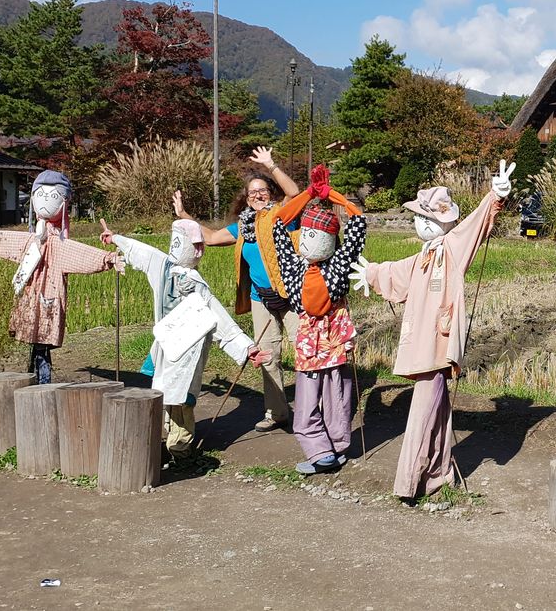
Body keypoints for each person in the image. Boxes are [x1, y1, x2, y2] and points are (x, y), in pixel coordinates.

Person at [349, 160, 515, 500]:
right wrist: (371, 273)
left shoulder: (453, 246)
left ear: (444, 221)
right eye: (419, 217)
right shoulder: (424, 254)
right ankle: (438, 475)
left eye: (427, 218)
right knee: (436, 409)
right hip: (422, 341)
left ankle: (409, 482)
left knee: (425, 408)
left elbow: (475, 225)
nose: (421, 223)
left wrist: (494, 198)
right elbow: (398, 272)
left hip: (438, 341)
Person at [101, 218, 271, 458]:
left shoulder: (190, 281)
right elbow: (139, 250)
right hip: (167, 344)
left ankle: (180, 449)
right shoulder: (163, 267)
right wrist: (116, 238)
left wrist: (246, 348)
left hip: (189, 351)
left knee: (182, 396)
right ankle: (172, 441)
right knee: (164, 392)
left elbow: (219, 320)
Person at [0, 170, 121, 383]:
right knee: (37, 343)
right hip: (32, 297)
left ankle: (42, 382)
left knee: (41, 343)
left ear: (64, 202)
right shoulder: (32, 240)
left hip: (48, 299)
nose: (45, 201)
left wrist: (108, 258)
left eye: (53, 196)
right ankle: (36, 378)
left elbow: (82, 255)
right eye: (41, 195)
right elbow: (3, 240)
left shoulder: (58, 245)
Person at [175, 146, 300, 432]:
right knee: (267, 355)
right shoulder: (243, 227)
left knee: (304, 351)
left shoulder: (282, 214)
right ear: (246, 198)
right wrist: (184, 215)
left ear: (271, 192)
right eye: (252, 192)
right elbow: (210, 237)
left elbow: (294, 193)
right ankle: (277, 413)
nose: (258, 195)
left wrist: (271, 164)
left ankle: (312, 410)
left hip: (291, 296)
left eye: (263, 190)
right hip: (261, 298)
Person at [271, 166, 367, 475]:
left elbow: (278, 224)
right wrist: (329, 195)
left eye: (313, 235)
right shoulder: (339, 263)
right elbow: (358, 222)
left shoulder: (293, 266)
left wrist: (309, 195)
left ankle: (322, 451)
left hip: (311, 343)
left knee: (308, 397)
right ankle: (335, 448)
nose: (308, 240)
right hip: (334, 339)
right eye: (307, 234)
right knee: (336, 394)